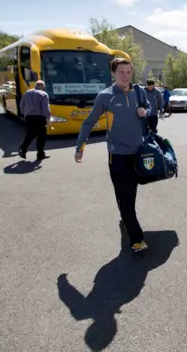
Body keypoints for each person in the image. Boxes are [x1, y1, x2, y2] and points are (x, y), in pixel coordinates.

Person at [75, 57, 151, 252]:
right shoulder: (105, 96)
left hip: (137, 153)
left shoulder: (139, 92)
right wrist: (80, 147)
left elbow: (151, 109)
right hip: (116, 155)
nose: (126, 76)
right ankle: (137, 239)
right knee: (125, 195)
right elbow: (88, 122)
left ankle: (126, 218)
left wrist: (146, 111)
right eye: (121, 72)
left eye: (128, 72)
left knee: (127, 194)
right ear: (113, 73)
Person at [18, 80, 50, 160]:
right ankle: (40, 154)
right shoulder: (44, 94)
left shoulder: (26, 93)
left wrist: (24, 113)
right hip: (40, 117)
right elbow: (45, 108)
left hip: (29, 117)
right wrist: (48, 119)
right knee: (41, 136)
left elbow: (22, 104)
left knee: (30, 133)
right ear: (43, 87)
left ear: (35, 85)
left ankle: (23, 149)